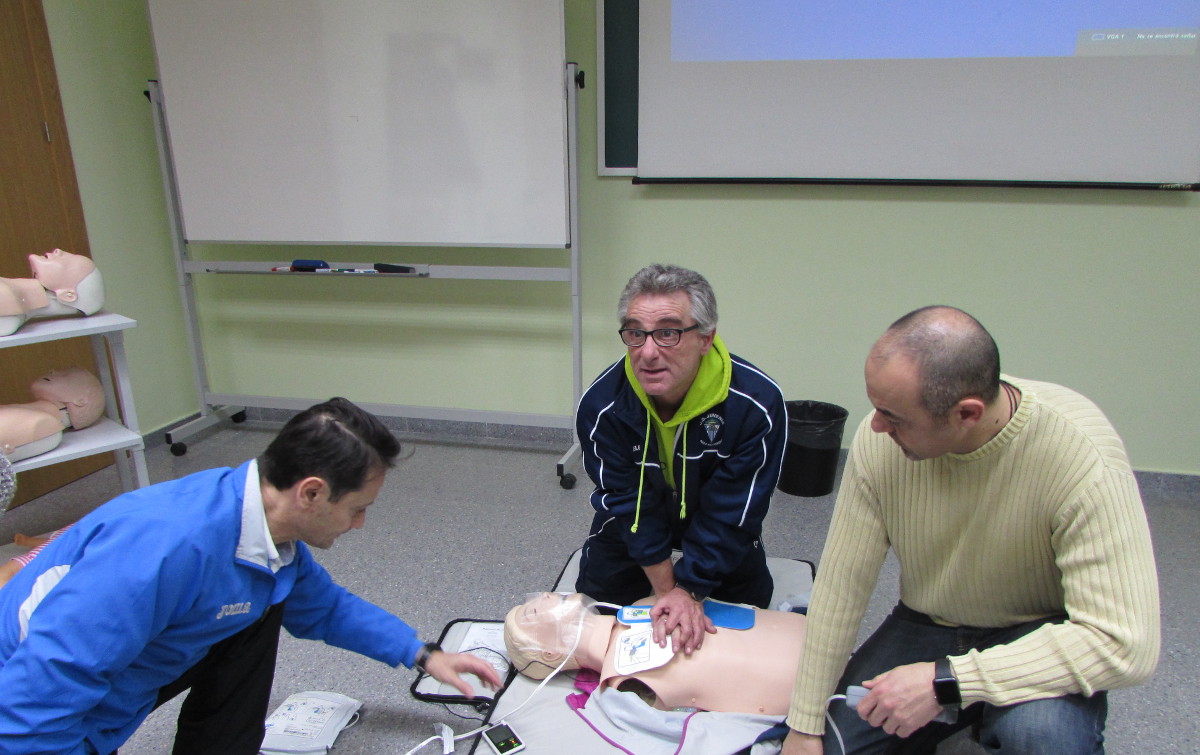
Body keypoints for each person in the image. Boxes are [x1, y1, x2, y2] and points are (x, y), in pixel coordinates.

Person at [0, 397, 502, 755]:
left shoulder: (258, 525)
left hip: (105, 678)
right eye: (356, 509)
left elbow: (322, 607)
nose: (360, 525)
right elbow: (35, 702)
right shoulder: (161, 547)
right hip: (24, 708)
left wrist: (425, 655)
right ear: (310, 492)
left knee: (257, 602)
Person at [782, 306, 1160, 755]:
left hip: (1037, 633)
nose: (876, 427)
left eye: (894, 416)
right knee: (838, 743)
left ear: (966, 414)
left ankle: (976, 712)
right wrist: (804, 725)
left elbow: (1124, 644)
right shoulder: (878, 440)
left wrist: (948, 683)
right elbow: (842, 588)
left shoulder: (1081, 456)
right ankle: (967, 719)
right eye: (875, 407)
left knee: (1043, 740)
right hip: (931, 622)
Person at [573, 264, 787, 656]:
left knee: (747, 621)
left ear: (706, 338)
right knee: (595, 615)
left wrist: (692, 587)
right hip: (634, 522)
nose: (648, 352)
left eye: (668, 333)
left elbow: (735, 510)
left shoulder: (757, 405)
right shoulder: (602, 406)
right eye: (636, 333)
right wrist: (670, 592)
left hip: (716, 520)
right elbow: (626, 502)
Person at [504, 592, 806, 716]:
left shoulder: (644, 604)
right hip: (807, 689)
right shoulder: (626, 686)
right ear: (550, 654)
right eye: (533, 612)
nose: (544, 596)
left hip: (808, 634)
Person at [0, 366, 106, 462]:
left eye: (65, 376)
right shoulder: (30, 415)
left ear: (80, 400)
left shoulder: (45, 425)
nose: (52, 371)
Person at [0, 248, 105, 336]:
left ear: (68, 295)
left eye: (68, 262)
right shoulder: (10, 300)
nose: (58, 250)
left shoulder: (10, 313)